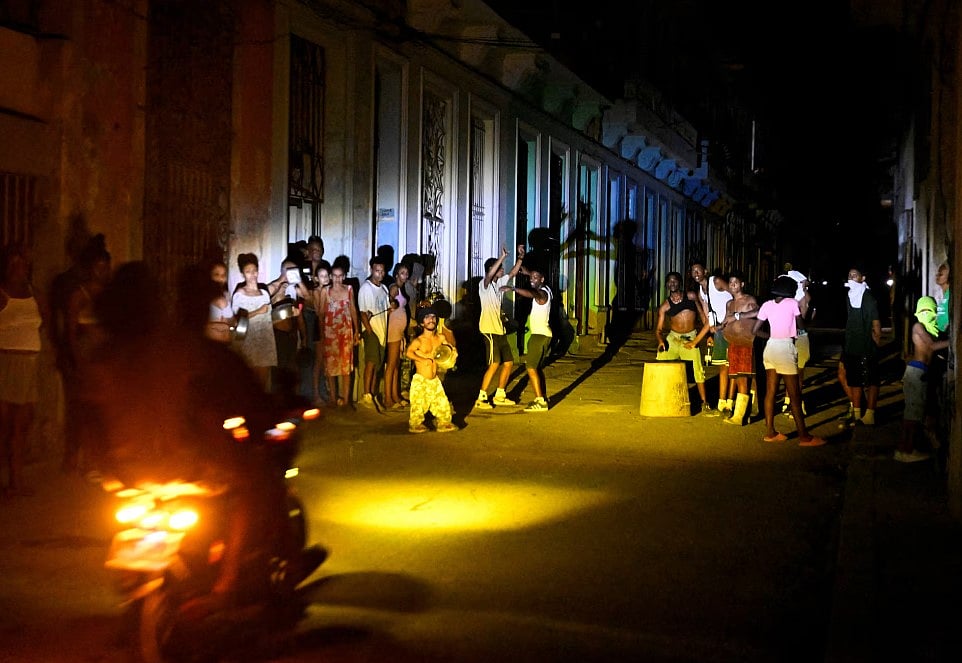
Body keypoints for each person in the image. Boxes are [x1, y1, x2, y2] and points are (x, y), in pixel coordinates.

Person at [90, 262, 321, 615]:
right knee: (255, 483)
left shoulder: (103, 360)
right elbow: (244, 400)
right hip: (187, 469)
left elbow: (91, 425)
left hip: (127, 476)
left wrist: (109, 469)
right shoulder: (188, 352)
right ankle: (227, 584)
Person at [753, 275, 825, 447]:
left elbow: (755, 330)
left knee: (770, 392)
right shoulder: (792, 303)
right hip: (785, 347)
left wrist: (771, 336)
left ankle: (770, 432)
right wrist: (809, 316)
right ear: (790, 291)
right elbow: (801, 326)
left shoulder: (767, 305)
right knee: (794, 395)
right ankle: (804, 437)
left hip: (770, 348)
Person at [62, 233, 112, 476]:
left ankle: (96, 460)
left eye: (105, 267)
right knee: (84, 409)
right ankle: (79, 459)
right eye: (98, 267)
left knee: (102, 410)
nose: (102, 272)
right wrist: (76, 359)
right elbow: (71, 331)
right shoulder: (79, 295)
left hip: (104, 358)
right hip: (86, 357)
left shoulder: (109, 296)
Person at [0, 244, 47, 496]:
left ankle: (16, 481)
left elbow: (43, 321)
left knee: (21, 426)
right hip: (7, 362)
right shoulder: (2, 294)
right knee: (5, 426)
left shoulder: (34, 294)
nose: (19, 269)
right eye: (14, 264)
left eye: (23, 264)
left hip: (29, 364)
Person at [896, 296, 949, 463]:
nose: (926, 313)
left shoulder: (929, 328)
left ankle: (904, 449)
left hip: (920, 372)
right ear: (918, 312)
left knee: (913, 415)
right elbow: (931, 346)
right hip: (916, 373)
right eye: (923, 310)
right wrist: (953, 341)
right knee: (912, 417)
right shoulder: (918, 326)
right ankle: (906, 450)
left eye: (929, 310)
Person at [654, 271, 712, 413]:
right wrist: (661, 342)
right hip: (673, 338)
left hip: (690, 337)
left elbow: (702, 315)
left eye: (675, 281)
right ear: (666, 285)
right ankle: (661, 397)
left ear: (680, 283)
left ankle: (704, 402)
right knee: (661, 360)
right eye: (669, 281)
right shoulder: (665, 306)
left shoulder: (691, 296)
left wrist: (708, 335)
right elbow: (658, 330)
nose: (672, 283)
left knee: (698, 370)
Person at [475, 244, 525, 410]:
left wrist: (520, 257)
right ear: (492, 269)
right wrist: (502, 256)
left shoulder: (499, 284)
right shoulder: (484, 285)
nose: (502, 270)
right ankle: (481, 397)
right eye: (499, 268)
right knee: (494, 363)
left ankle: (500, 395)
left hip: (499, 330)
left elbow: (513, 273)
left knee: (509, 362)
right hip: (488, 330)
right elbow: (489, 275)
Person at [502, 266, 551, 412]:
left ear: (542, 279)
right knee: (536, 368)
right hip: (542, 335)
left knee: (530, 367)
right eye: (531, 277)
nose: (531, 280)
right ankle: (541, 398)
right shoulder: (547, 288)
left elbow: (533, 293)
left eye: (535, 278)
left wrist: (513, 289)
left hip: (540, 336)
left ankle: (541, 401)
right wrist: (529, 273)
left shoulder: (542, 294)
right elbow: (535, 280)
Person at [838, 266, 882, 427]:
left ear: (862, 278)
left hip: (866, 346)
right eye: (849, 275)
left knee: (872, 380)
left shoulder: (868, 298)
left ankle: (870, 414)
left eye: (855, 275)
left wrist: (876, 343)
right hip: (851, 345)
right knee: (854, 380)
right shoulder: (849, 296)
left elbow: (876, 324)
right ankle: (857, 415)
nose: (851, 277)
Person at [231, 253, 282, 389]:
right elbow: (236, 320)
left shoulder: (264, 293)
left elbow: (269, 317)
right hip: (249, 340)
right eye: (248, 271)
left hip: (265, 339)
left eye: (254, 271)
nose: (252, 274)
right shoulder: (240, 294)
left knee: (264, 380)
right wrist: (257, 311)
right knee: (250, 381)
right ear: (243, 274)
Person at [405, 306, 457, 433]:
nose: (431, 320)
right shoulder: (419, 340)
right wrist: (422, 360)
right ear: (422, 323)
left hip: (434, 379)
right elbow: (409, 352)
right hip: (421, 380)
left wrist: (453, 353)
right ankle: (416, 424)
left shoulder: (440, 338)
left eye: (433, 317)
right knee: (418, 405)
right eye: (427, 318)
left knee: (441, 403)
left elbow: (449, 349)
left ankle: (443, 422)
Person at [315, 262, 360, 408]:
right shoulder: (325, 291)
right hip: (330, 334)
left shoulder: (349, 289)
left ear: (344, 276)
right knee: (331, 368)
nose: (337, 279)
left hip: (346, 332)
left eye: (340, 276)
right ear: (330, 276)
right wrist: (322, 335)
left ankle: (346, 401)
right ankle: (333, 399)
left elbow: (353, 310)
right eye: (334, 276)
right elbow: (321, 314)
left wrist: (357, 330)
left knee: (346, 368)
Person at [718, 271, 758, 425]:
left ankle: (740, 416)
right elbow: (726, 320)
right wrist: (719, 327)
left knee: (743, 379)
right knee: (736, 377)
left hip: (745, 343)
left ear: (742, 284)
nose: (733, 285)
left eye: (736, 282)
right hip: (733, 343)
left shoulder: (749, 300)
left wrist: (737, 316)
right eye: (730, 282)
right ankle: (741, 414)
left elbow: (758, 312)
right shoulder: (729, 303)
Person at [357, 257, 391, 408]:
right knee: (370, 362)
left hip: (382, 330)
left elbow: (387, 308)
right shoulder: (366, 288)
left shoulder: (384, 288)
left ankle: (372, 392)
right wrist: (369, 331)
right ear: (371, 270)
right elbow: (363, 312)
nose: (380, 274)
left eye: (382, 271)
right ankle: (366, 393)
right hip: (371, 331)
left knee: (377, 363)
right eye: (377, 271)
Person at [781, 269, 812, 417]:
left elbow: (803, 320)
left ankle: (797, 404)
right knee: (788, 372)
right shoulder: (792, 297)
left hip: (799, 337)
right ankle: (789, 401)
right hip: (789, 336)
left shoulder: (803, 297)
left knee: (797, 373)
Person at [706, 269, 733, 414]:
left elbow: (735, 297)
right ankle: (722, 402)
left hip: (733, 328)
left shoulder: (715, 282)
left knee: (734, 368)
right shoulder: (702, 291)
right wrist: (709, 333)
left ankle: (731, 402)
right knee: (723, 367)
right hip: (719, 329)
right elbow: (708, 312)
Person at [384, 263, 411, 409]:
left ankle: (395, 395)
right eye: (402, 273)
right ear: (396, 275)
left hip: (399, 330)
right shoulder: (394, 288)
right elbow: (389, 306)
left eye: (406, 273)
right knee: (391, 364)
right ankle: (388, 398)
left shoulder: (402, 288)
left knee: (396, 365)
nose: (405, 276)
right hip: (393, 329)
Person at [205, 259, 235, 344]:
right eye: (216, 275)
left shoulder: (226, 295)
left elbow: (231, 321)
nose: (220, 279)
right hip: (211, 342)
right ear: (210, 276)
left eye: (223, 275)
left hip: (224, 342)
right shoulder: (206, 296)